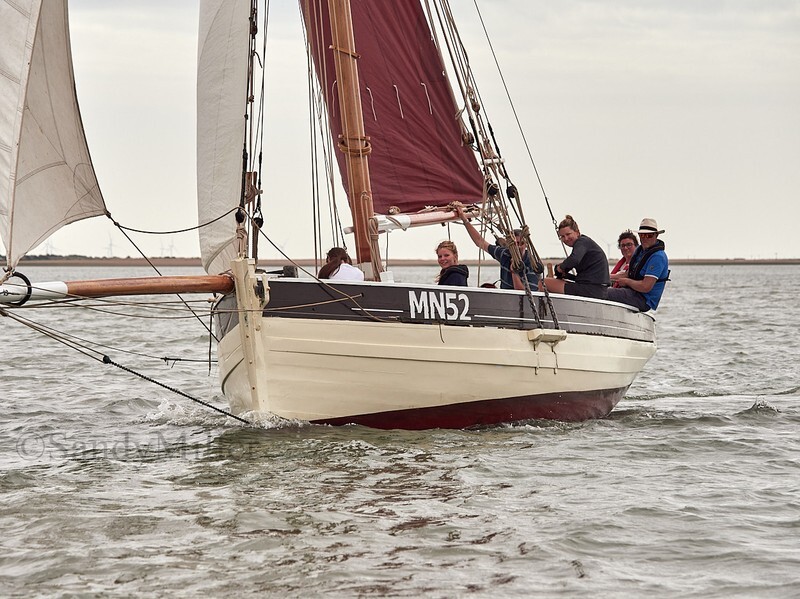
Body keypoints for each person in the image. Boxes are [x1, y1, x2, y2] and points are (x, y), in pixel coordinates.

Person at [455, 205, 540, 290]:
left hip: (519, 297)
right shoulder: (504, 254)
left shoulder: (532, 264)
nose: (518, 247)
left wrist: (514, 272)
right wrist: (464, 219)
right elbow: (480, 242)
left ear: (526, 245)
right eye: (515, 244)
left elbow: (526, 294)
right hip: (504, 296)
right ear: (509, 244)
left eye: (521, 243)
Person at [539, 215, 609, 299]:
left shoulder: (582, 242)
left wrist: (560, 268)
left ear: (577, 232)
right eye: (562, 236)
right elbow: (582, 277)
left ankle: (545, 306)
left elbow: (574, 259)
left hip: (592, 289)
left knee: (543, 283)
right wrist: (566, 275)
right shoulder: (585, 245)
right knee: (559, 282)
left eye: (568, 234)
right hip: (598, 289)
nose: (566, 238)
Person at [607, 218, 669, 311]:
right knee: (597, 288)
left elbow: (645, 287)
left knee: (604, 293)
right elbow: (628, 274)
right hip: (632, 292)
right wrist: (604, 276)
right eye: (642, 235)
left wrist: (626, 282)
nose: (645, 238)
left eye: (649, 235)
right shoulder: (640, 251)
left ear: (656, 235)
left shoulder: (658, 257)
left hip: (644, 299)